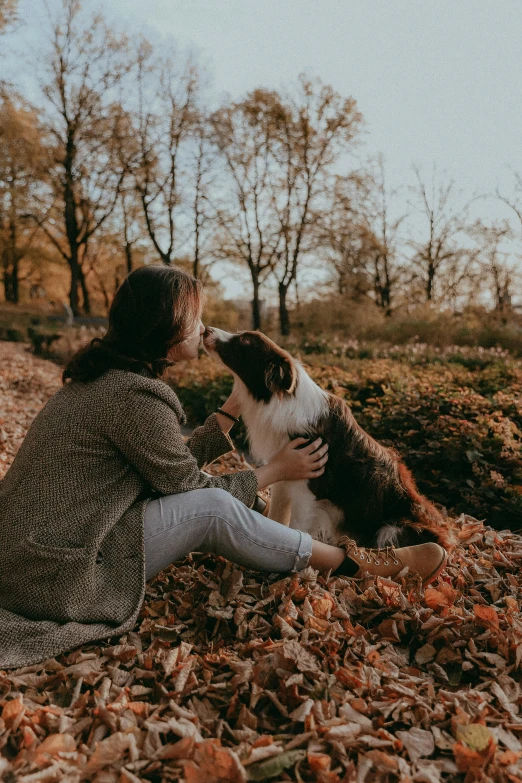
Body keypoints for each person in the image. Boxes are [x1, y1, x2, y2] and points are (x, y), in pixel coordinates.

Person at [0, 265, 447, 669]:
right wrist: (276, 469)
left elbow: (166, 466)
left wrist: (231, 412)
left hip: (28, 559)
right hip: (58, 577)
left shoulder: (103, 382)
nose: (203, 328)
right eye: (195, 318)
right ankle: (357, 566)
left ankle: (303, 547)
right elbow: (185, 488)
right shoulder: (135, 398)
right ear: (168, 328)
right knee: (213, 506)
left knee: (226, 498)